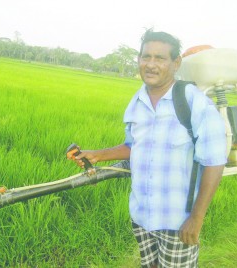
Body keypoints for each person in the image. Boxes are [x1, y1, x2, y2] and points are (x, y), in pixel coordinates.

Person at [69, 29, 227, 267]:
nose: (151, 65)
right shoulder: (137, 102)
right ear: (139, 60)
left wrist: (196, 217)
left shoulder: (194, 103)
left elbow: (214, 162)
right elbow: (134, 146)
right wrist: (98, 155)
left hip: (178, 221)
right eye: (146, 57)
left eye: (160, 58)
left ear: (176, 63)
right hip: (142, 215)